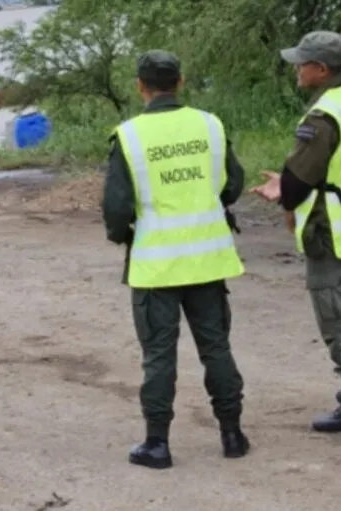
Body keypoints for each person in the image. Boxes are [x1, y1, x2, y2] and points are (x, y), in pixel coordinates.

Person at [101, 50, 250, 470]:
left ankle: (158, 443)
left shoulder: (129, 137)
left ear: (140, 87)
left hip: (157, 266)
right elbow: (232, 183)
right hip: (208, 261)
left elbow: (116, 208)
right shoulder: (210, 125)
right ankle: (232, 434)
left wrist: (124, 234)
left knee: (159, 356)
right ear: (180, 82)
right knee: (216, 347)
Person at [251, 31, 341, 433]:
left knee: (340, 317)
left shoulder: (323, 117)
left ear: (321, 69)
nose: (297, 69)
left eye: (302, 63)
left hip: (330, 228)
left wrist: (281, 189)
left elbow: (299, 182)